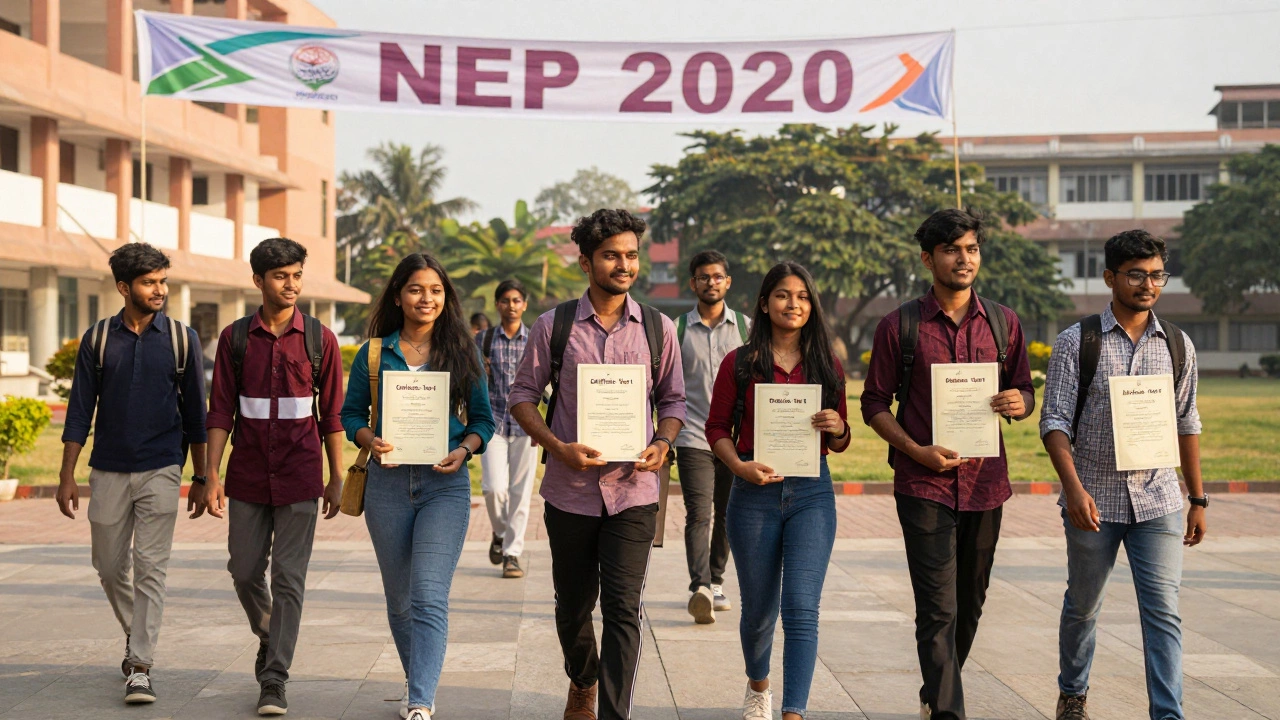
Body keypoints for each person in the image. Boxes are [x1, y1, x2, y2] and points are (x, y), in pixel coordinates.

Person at [508, 208, 685, 720]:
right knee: (573, 607)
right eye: (611, 255)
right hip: (571, 491)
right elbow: (522, 396)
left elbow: (673, 401)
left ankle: (612, 713)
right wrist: (557, 446)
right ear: (586, 262)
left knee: (624, 609)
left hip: (634, 491)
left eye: (631, 255)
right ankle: (582, 677)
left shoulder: (657, 328)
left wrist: (663, 443)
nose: (624, 264)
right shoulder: (554, 325)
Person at [860, 208, 1035, 720]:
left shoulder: (1003, 322)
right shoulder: (900, 326)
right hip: (923, 485)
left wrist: (1019, 403)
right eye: (952, 250)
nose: (964, 259)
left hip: (986, 485)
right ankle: (947, 712)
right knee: (937, 608)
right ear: (928, 258)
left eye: (972, 248)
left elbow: (1022, 387)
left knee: (970, 605)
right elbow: (874, 403)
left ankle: (935, 690)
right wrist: (916, 451)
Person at [1040, 230, 1206, 720]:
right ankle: (1073, 693)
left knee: (1163, 613)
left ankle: (1167, 714)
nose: (1148, 284)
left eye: (1157, 275)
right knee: (1084, 606)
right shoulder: (1079, 341)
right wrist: (1072, 490)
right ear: (1110, 276)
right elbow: (1054, 423)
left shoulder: (1177, 344)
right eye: (1136, 274)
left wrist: (1197, 499)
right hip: (1094, 502)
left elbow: (1187, 423)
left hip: (1158, 501)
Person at [194, 237, 345, 716]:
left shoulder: (321, 339)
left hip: (301, 476)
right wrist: (210, 475)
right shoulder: (235, 339)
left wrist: (336, 475)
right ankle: (269, 633)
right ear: (258, 281)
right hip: (248, 477)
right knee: (243, 570)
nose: (291, 285)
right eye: (281, 276)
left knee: (289, 578)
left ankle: (274, 676)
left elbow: (333, 415)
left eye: (297, 275)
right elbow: (219, 411)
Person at [342, 252, 495, 720]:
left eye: (435, 290)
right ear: (398, 295)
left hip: (442, 486)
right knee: (400, 600)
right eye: (415, 289)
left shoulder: (462, 352)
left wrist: (464, 450)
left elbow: (484, 422)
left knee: (428, 593)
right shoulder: (373, 352)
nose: (425, 298)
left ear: (445, 297)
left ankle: (420, 701)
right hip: (386, 487)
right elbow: (349, 415)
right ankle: (421, 679)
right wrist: (369, 438)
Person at [56, 242, 207, 705]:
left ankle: (140, 664)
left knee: (151, 570)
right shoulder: (98, 339)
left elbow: (197, 415)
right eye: (149, 283)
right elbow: (80, 410)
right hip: (107, 470)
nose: (160, 290)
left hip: (162, 467)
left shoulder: (183, 339)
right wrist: (67, 474)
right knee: (107, 566)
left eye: (163, 281)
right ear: (124, 287)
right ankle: (135, 633)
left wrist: (202, 478)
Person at [704, 261, 849, 720]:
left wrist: (839, 425)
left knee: (802, 609)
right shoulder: (740, 362)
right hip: (753, 497)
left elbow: (841, 443)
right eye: (784, 295)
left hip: (811, 494)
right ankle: (758, 686)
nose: (794, 303)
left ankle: (793, 712)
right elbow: (715, 428)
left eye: (803, 296)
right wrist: (739, 468)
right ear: (765, 303)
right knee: (759, 613)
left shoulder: (828, 364)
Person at [675, 249, 749, 624]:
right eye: (703, 277)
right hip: (691, 436)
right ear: (693, 283)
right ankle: (699, 586)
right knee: (698, 514)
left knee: (727, 513)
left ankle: (717, 580)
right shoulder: (676, 330)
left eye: (717, 276)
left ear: (727, 282)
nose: (711, 283)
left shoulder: (748, 328)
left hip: (735, 441)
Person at [478, 279, 536, 578]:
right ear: (497, 304)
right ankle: (500, 533)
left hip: (528, 425)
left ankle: (512, 554)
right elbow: (472, 380)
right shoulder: (484, 340)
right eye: (505, 300)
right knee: (493, 488)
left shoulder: (537, 339)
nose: (511, 305)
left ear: (524, 304)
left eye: (516, 300)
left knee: (520, 492)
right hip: (494, 424)